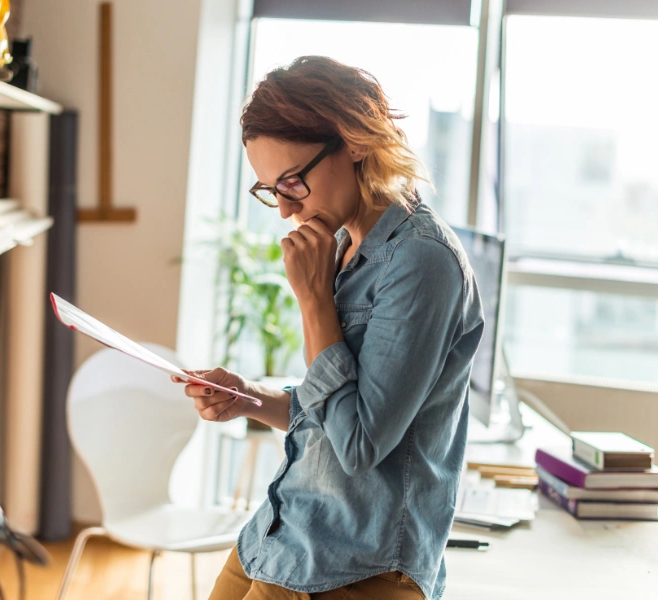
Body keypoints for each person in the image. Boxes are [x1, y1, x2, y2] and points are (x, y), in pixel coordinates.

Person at [172, 56, 484, 600]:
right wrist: (248, 397)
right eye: (271, 189)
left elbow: (358, 445)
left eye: (293, 182)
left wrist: (314, 298)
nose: (286, 210)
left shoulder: (421, 262)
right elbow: (331, 414)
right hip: (283, 534)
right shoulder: (345, 244)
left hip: (354, 564)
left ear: (354, 140)